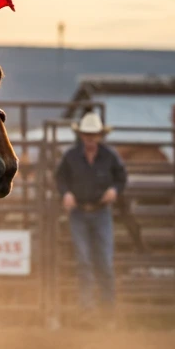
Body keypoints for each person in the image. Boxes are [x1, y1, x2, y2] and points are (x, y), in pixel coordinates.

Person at [55, 111, 128, 319]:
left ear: (99, 136)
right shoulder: (71, 156)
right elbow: (61, 179)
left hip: (101, 212)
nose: (89, 138)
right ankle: (86, 309)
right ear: (82, 136)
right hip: (79, 212)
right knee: (84, 260)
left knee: (104, 261)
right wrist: (66, 193)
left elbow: (121, 178)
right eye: (87, 134)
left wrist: (115, 190)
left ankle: (107, 310)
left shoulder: (109, 156)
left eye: (93, 134)